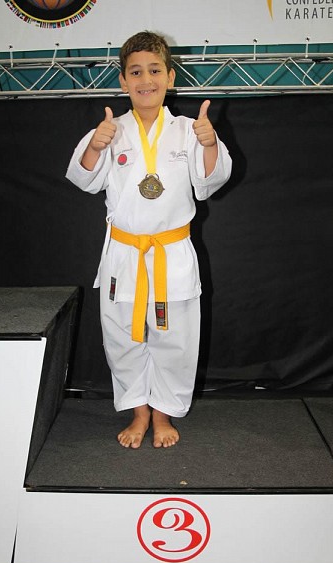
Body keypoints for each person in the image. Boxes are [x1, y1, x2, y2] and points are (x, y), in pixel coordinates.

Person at [66, 31, 232, 449]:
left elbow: (208, 183)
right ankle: (139, 412)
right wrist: (94, 148)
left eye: (155, 70)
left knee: (175, 339)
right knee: (123, 336)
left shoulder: (188, 130)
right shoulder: (110, 130)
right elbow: (84, 180)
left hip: (171, 252)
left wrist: (209, 145)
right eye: (136, 72)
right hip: (125, 253)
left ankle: (163, 414)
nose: (146, 79)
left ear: (170, 77)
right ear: (123, 81)